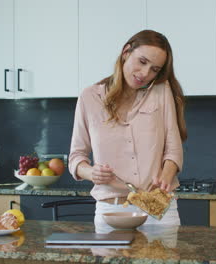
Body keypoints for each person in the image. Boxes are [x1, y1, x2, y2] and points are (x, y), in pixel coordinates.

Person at [68, 30, 187, 230]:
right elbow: (76, 157)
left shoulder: (161, 91)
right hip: (111, 211)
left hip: (157, 209)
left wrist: (166, 176)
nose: (145, 74)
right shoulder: (89, 97)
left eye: (154, 69)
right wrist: (91, 173)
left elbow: (173, 149)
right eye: (142, 62)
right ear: (126, 52)